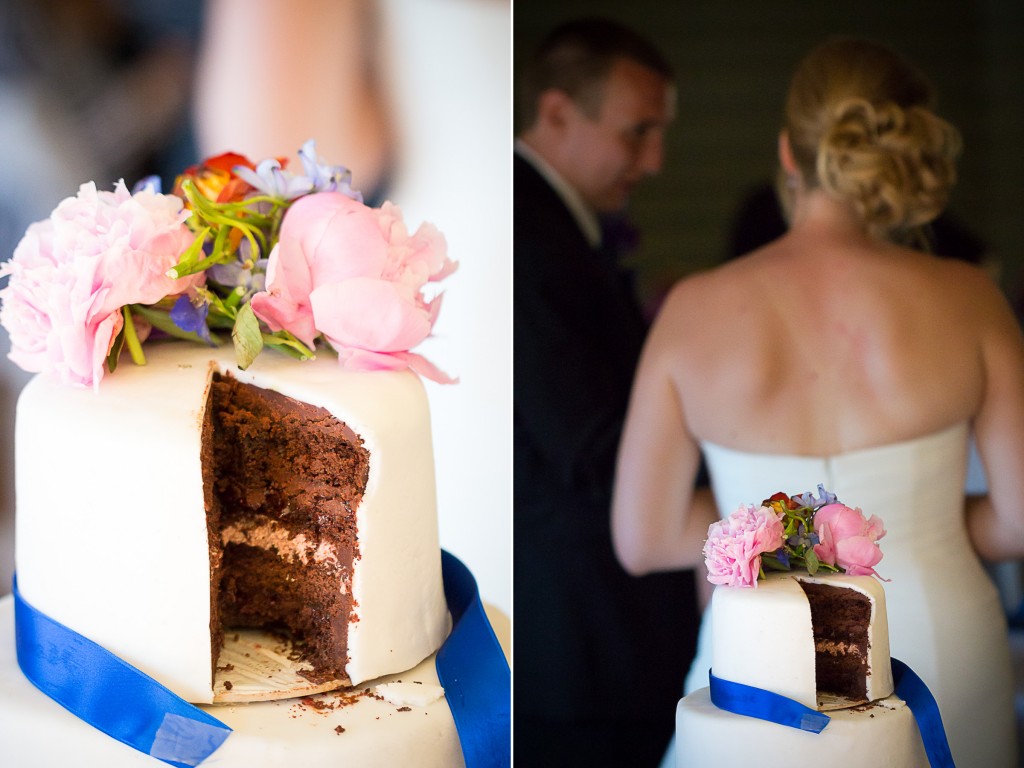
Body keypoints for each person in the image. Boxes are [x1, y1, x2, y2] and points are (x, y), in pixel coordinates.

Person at [612, 36, 1023, 767]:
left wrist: (773, 527)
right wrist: (920, 525)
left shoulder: (694, 310)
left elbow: (641, 540)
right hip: (941, 640)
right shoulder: (971, 299)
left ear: (788, 153)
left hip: (765, 653)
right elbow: (1020, 520)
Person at [514, 17, 701, 766]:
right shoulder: (530, 231)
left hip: (600, 625)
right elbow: (589, 436)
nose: (653, 161)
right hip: (582, 634)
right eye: (638, 132)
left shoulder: (559, 224)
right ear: (558, 112)